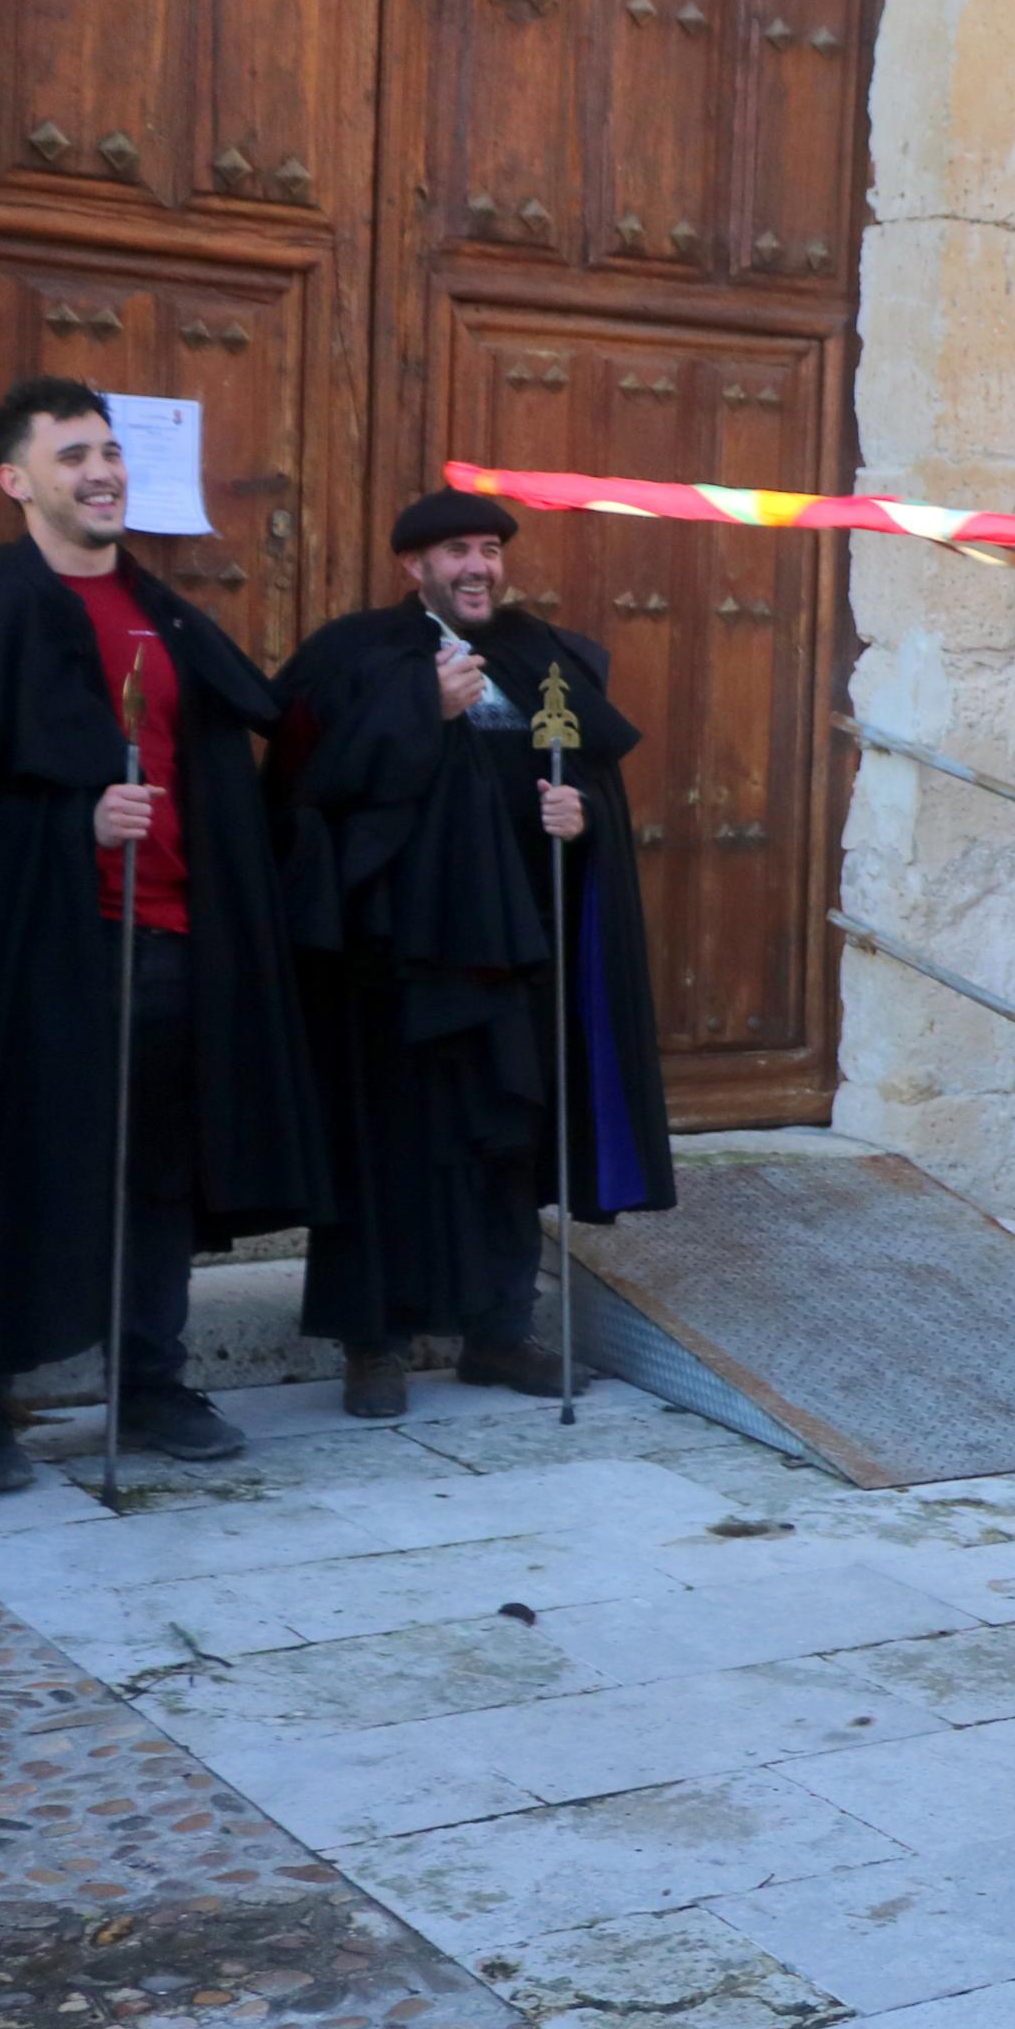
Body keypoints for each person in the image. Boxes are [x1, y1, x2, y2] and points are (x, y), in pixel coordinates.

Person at [0, 376, 326, 1490]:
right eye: (73, 454)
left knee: (158, 1176)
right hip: (31, 958)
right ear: (14, 480)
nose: (102, 471)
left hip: (173, 944)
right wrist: (65, 818)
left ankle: (151, 1375)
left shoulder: (165, 615)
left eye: (111, 452)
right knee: (9, 1166)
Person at [273, 489, 675, 1417]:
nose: (479, 566)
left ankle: (498, 1332)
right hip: (395, 959)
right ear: (413, 565)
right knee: (383, 1148)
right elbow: (309, 794)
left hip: (515, 951)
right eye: (457, 549)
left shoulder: (546, 658)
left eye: (491, 548)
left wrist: (583, 825)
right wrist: (421, 709)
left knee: (504, 1139)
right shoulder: (354, 656)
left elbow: (594, 783)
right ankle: (373, 1344)